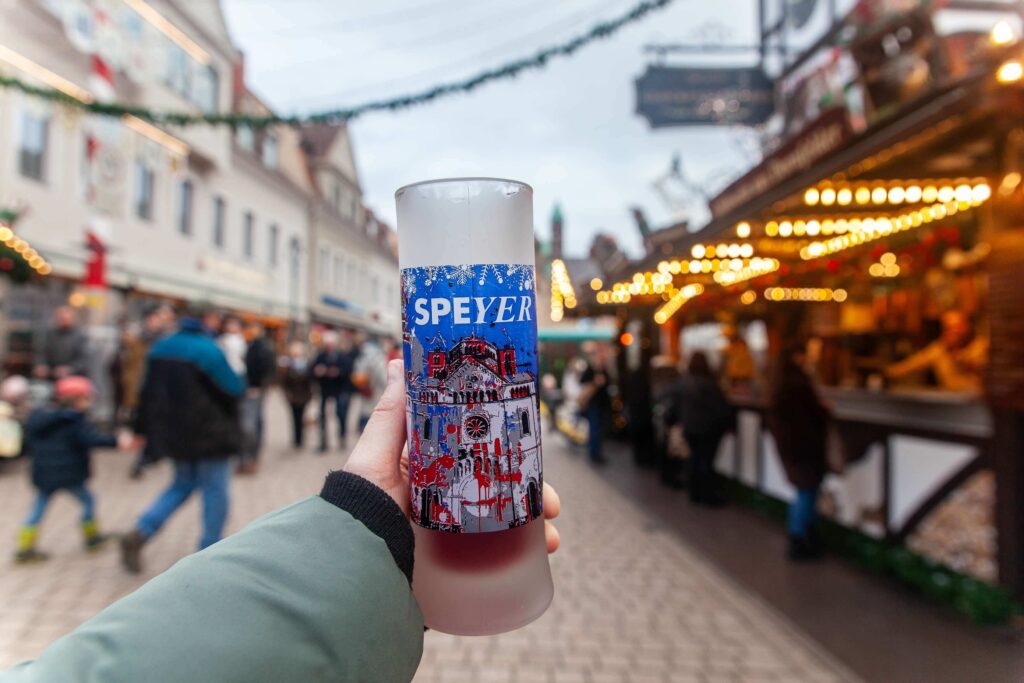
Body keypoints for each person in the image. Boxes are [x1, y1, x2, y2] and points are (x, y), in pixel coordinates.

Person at [1, 360, 561, 682]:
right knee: (207, 496)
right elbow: (235, 384)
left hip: (178, 446)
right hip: (215, 444)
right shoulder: (211, 363)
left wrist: (375, 539)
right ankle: (198, 541)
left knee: (180, 489)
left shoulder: (162, 362)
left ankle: (167, 535)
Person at [120, 305, 245, 573]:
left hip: (175, 435)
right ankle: (209, 553)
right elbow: (234, 388)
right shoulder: (208, 350)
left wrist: (141, 430)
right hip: (210, 435)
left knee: (181, 485)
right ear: (208, 320)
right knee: (215, 491)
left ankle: (142, 531)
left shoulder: (160, 348)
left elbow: (146, 394)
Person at [13, 377, 126, 563]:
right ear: (76, 399)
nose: (88, 403)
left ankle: (25, 547)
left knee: (38, 509)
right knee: (88, 501)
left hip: (44, 475)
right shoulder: (75, 422)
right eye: (86, 398)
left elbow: (28, 441)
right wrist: (117, 441)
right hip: (70, 475)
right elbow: (93, 439)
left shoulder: (40, 418)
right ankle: (92, 538)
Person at [766, 347, 830, 561]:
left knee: (804, 492)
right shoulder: (799, 384)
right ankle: (799, 539)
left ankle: (804, 537)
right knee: (806, 492)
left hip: (790, 447)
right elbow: (812, 415)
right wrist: (824, 410)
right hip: (806, 447)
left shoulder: (777, 385)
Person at [668, 352, 735, 505]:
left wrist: (675, 421)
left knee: (694, 460)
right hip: (708, 429)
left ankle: (694, 493)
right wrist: (729, 425)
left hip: (690, 428)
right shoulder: (709, 383)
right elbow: (721, 408)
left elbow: (675, 405)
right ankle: (707, 496)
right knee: (706, 462)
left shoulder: (683, 382)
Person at [126, 304, 177, 479]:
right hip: (142, 388)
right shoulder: (139, 340)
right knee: (143, 424)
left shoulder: (167, 340)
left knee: (153, 424)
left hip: (159, 390)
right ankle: (145, 457)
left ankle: (148, 456)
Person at [885, 309, 988, 393]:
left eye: (958, 326)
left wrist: (960, 359)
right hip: (950, 402)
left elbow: (986, 370)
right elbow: (912, 364)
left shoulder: (982, 346)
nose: (954, 331)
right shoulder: (939, 349)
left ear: (967, 326)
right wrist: (886, 372)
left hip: (978, 403)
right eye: (949, 327)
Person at [238, 323, 277, 475]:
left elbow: (269, 369)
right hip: (249, 389)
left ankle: (251, 458)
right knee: (253, 423)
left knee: (250, 425)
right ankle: (248, 458)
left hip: (255, 391)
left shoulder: (263, 348)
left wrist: (259, 387)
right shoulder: (251, 345)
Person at [313, 330, 357, 452]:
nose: (329, 347)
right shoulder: (320, 356)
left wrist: (337, 372)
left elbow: (348, 370)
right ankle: (323, 442)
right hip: (325, 389)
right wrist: (318, 371)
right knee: (322, 416)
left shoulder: (342, 357)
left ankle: (342, 437)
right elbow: (312, 369)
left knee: (340, 414)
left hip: (339, 389)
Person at [33, 306, 89, 381]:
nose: (63, 321)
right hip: (51, 376)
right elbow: (41, 353)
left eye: (66, 319)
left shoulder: (80, 336)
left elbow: (84, 360)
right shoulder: (50, 334)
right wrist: (41, 365)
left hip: (74, 378)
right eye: (61, 319)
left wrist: (69, 369)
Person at [578, 342, 612, 465]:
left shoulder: (601, 368)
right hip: (594, 403)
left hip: (601, 403)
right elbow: (582, 381)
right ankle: (594, 453)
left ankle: (596, 452)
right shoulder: (591, 368)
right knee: (595, 428)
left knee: (598, 428)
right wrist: (595, 382)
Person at [279, 341, 314, 450]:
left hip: (303, 397)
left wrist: (309, 395)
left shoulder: (306, 366)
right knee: (294, 417)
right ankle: (296, 438)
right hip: (293, 397)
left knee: (301, 417)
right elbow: (284, 383)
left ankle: (300, 438)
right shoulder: (289, 367)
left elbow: (310, 382)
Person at [353, 336, 390, 433]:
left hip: (365, 393)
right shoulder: (380, 359)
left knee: (365, 415)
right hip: (376, 394)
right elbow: (384, 379)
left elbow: (356, 375)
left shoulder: (361, 358)